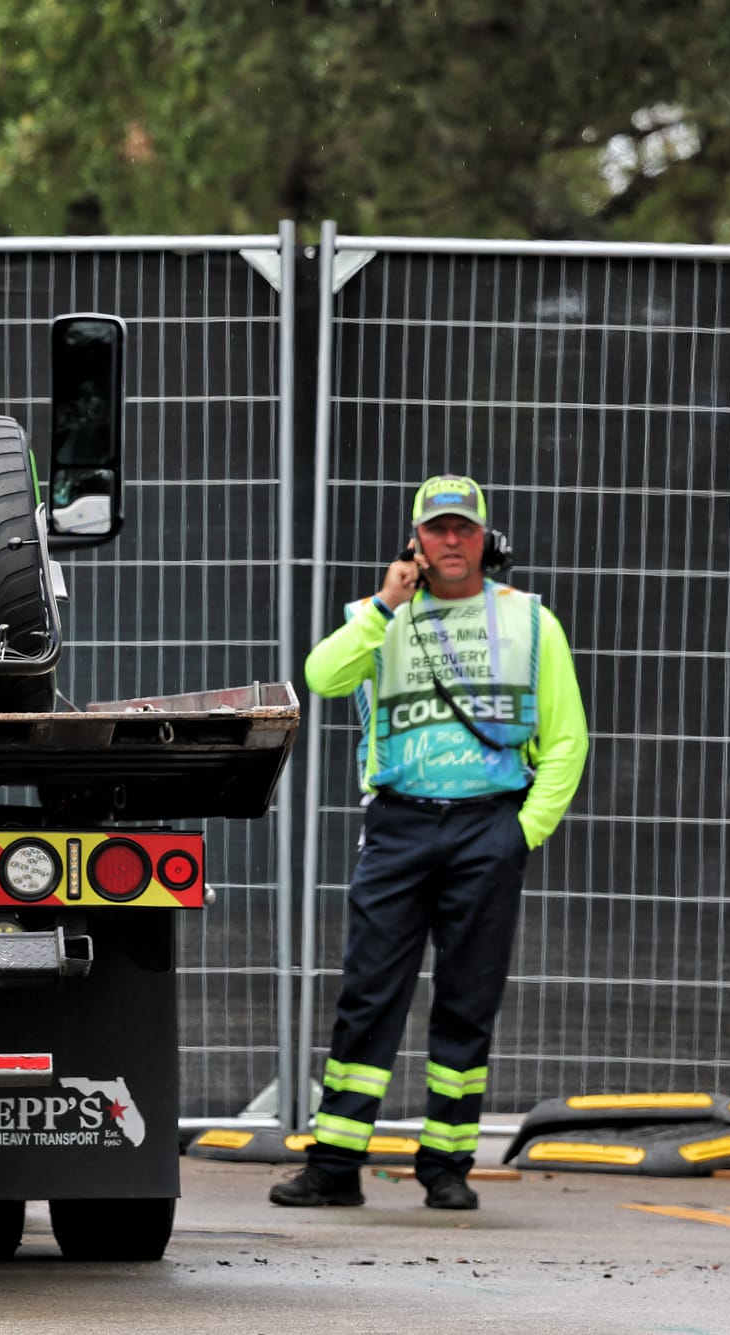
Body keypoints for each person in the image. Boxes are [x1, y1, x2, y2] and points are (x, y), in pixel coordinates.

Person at [271, 474, 588, 1211]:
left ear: (485, 539)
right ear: (415, 541)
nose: (451, 540)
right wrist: (387, 604)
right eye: (437, 528)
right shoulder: (376, 616)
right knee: (368, 993)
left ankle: (447, 1165)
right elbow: (321, 675)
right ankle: (335, 1164)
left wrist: (522, 832)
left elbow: (566, 740)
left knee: (468, 1000)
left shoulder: (531, 621)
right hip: (399, 825)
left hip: (489, 827)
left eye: (464, 529)